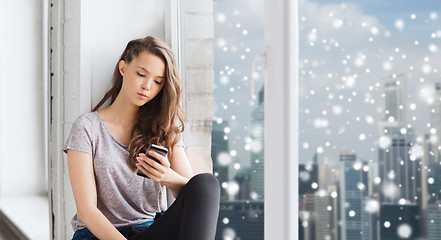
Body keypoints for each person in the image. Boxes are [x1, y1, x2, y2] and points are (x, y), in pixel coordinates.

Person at [63, 36, 220, 240]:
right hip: (99, 236)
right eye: (141, 74)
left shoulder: (164, 129)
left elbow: (194, 195)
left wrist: (166, 177)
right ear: (123, 68)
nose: (147, 86)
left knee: (206, 184)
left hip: (148, 231)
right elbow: (87, 212)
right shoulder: (87, 127)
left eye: (157, 82)